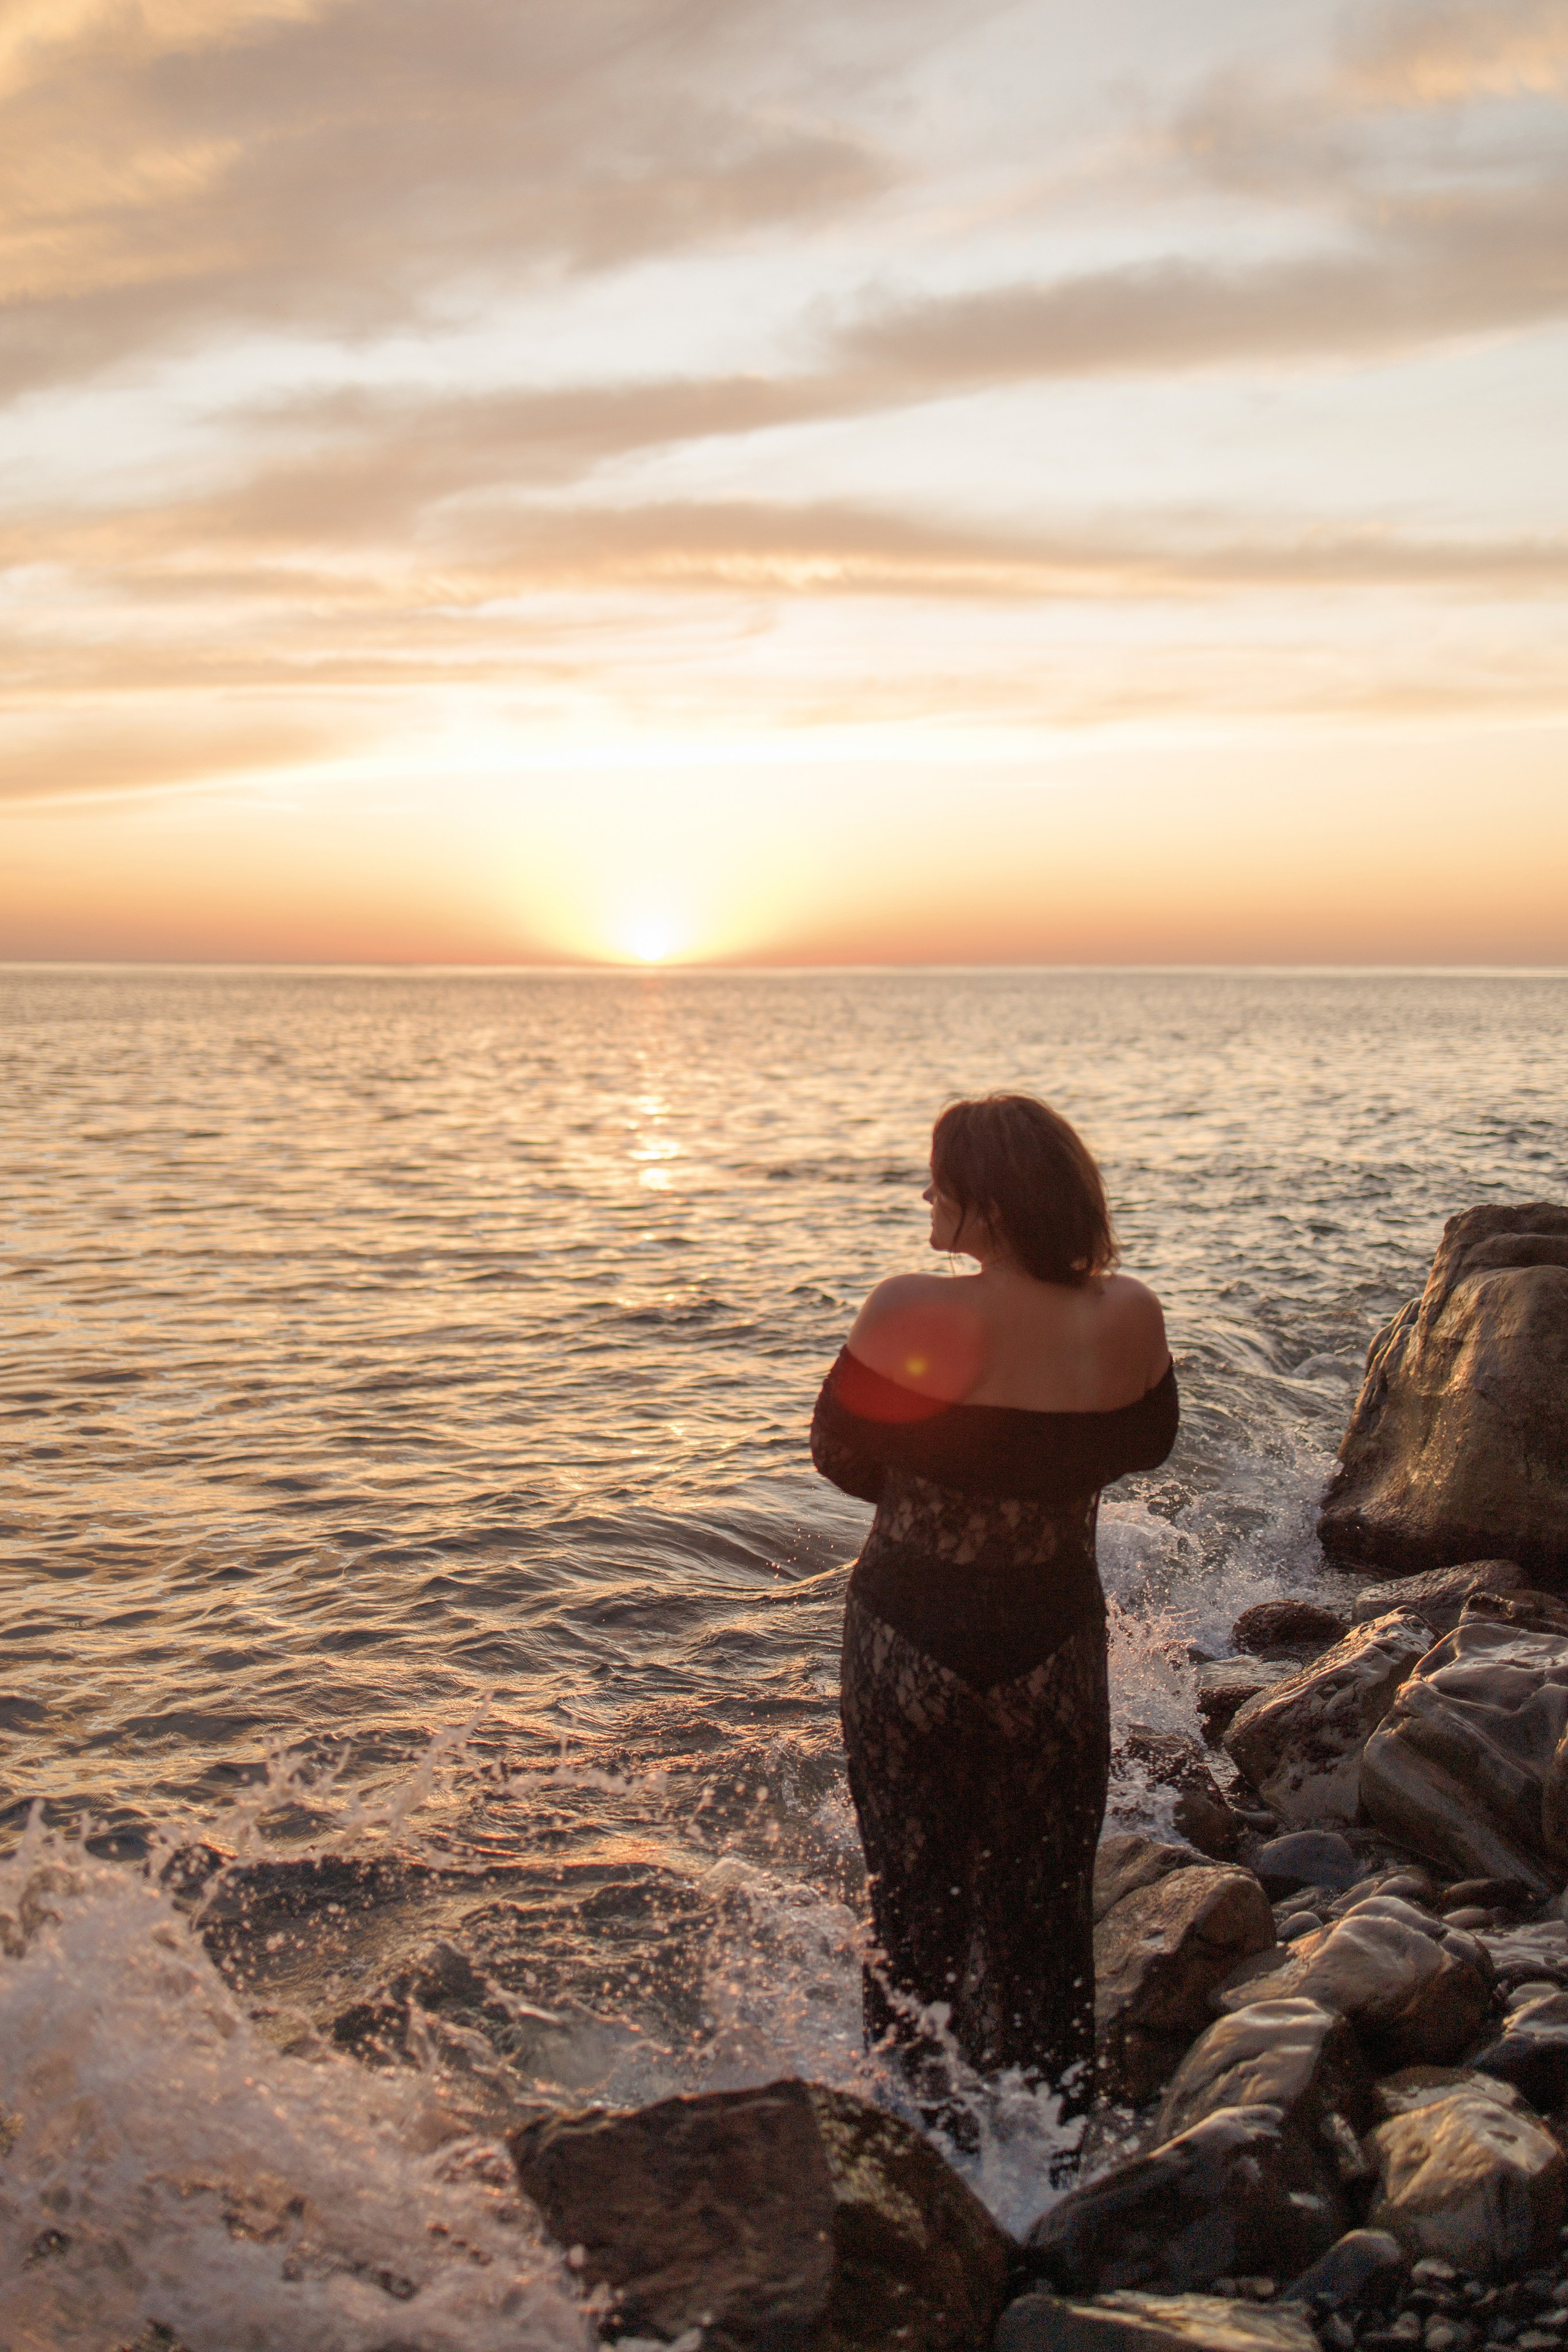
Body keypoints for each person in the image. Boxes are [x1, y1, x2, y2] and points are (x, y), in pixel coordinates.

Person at [810, 1093, 1177, 2123]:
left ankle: (915, 2142)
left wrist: (945, 1492)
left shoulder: (904, 1309)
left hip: (905, 1638)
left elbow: (839, 1454)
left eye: (941, 1179)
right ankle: (1048, 2155)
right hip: (1052, 1638)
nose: (927, 1193)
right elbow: (1142, 1446)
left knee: (911, 1899)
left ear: (994, 1205)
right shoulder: (1133, 1311)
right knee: (1044, 1909)